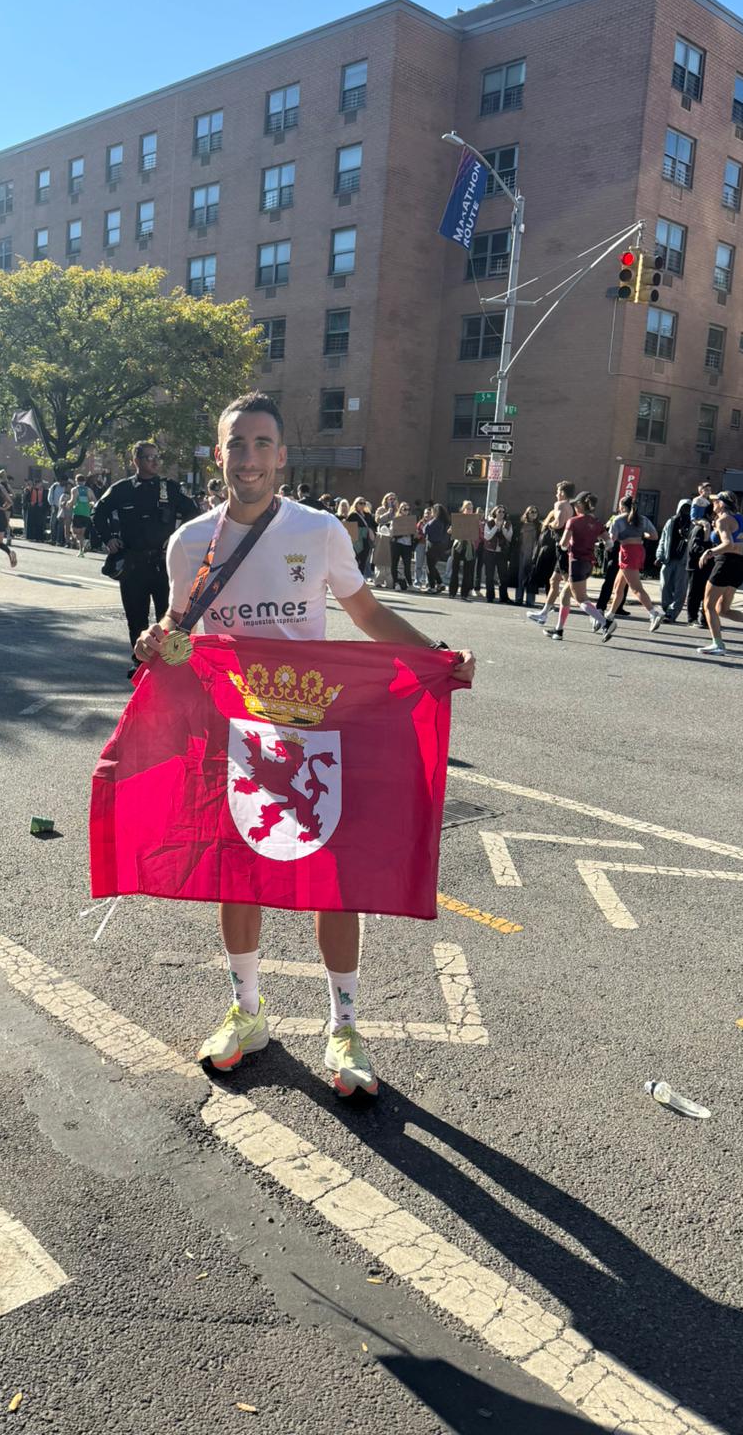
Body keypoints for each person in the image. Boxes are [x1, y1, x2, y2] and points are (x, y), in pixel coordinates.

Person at [135, 392, 476, 1099]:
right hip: (236, 732)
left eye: (262, 443)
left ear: (282, 456)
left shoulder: (319, 532)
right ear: (219, 454)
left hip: (314, 731)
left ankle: (344, 1026)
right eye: (237, 444)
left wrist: (438, 656)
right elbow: (179, 626)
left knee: (334, 879)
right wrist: (156, 642)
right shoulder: (190, 542)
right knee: (235, 873)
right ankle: (247, 1012)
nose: (249, 458)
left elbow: (366, 611)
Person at [91, 441, 198, 676]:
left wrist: (178, 537)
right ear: (136, 461)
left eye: (157, 457)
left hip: (163, 563)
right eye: (149, 457)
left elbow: (194, 512)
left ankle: (169, 664)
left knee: (168, 616)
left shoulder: (169, 488)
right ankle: (139, 663)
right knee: (136, 617)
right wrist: (108, 538)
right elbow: (98, 512)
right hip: (134, 564)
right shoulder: (122, 489)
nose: (155, 461)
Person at [696, 490, 743, 656]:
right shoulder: (737, 518)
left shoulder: (723, 520)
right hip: (737, 565)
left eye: (715, 501)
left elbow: (728, 544)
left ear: (722, 503)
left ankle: (718, 644)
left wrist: (709, 552)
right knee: (723, 609)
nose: (713, 504)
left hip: (725, 563)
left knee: (708, 606)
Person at [549, 492, 613, 641]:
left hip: (576, 562)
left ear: (579, 505)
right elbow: (609, 543)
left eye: (575, 504)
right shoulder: (597, 522)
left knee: (581, 599)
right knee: (565, 595)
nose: (574, 507)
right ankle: (559, 630)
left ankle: (606, 623)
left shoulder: (573, 521)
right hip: (588, 563)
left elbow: (564, 544)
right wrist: (594, 543)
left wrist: (565, 544)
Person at [603, 495, 664, 638]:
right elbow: (654, 536)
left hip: (627, 551)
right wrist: (641, 534)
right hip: (638, 550)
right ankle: (610, 614)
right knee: (618, 587)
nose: (618, 508)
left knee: (636, 588)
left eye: (620, 506)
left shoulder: (618, 520)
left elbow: (611, 540)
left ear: (623, 507)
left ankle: (654, 613)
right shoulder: (642, 519)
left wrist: (604, 538)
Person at [527, 482, 577, 625]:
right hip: (564, 546)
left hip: (562, 547)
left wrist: (550, 524)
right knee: (554, 581)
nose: (556, 494)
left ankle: (597, 616)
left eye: (558, 491)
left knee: (571, 585)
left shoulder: (560, 504)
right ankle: (543, 614)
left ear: (562, 493)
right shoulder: (571, 506)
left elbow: (559, 523)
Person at [656, 499, 691, 622]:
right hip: (668, 559)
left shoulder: (693, 524)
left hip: (683, 561)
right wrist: (659, 555)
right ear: (679, 508)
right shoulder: (671, 522)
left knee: (680, 590)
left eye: (688, 508)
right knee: (664, 586)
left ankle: (672, 614)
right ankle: (666, 610)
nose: (686, 510)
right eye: (684, 507)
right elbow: (663, 539)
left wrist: (687, 535)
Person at [481, 505, 512, 602]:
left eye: (503, 512)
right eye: (499, 511)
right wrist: (496, 527)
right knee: (489, 575)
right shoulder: (489, 523)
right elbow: (487, 537)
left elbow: (509, 538)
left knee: (503, 576)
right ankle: (490, 596)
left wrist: (503, 529)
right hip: (490, 552)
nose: (501, 513)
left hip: (501, 553)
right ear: (495, 512)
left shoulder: (508, 524)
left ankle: (503, 597)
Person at [514, 506, 541, 608]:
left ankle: (530, 600)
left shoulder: (539, 526)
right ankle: (518, 598)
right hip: (522, 554)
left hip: (534, 554)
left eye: (535, 512)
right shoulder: (521, 525)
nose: (533, 514)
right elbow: (516, 539)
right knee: (520, 577)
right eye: (531, 512)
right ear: (527, 513)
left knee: (531, 578)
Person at [388, 502, 417, 591]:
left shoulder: (411, 520)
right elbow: (391, 533)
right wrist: (402, 533)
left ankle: (410, 584)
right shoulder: (396, 520)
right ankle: (396, 583)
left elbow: (414, 533)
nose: (406, 511)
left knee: (407, 565)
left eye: (408, 509)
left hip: (407, 545)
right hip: (397, 544)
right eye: (404, 509)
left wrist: (414, 533)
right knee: (394, 563)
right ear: (400, 510)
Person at [423, 503, 450, 594]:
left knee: (429, 567)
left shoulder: (434, 521)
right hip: (441, 546)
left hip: (432, 545)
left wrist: (428, 521)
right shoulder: (445, 522)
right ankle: (440, 583)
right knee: (433, 566)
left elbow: (425, 530)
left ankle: (432, 587)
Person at [70, 475, 94, 554]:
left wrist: (67, 503)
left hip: (77, 513)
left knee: (74, 532)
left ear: (76, 481)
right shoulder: (89, 490)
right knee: (82, 533)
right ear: (84, 482)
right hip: (86, 514)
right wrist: (90, 505)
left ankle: (84, 544)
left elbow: (73, 501)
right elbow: (94, 500)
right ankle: (81, 551)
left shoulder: (74, 489)